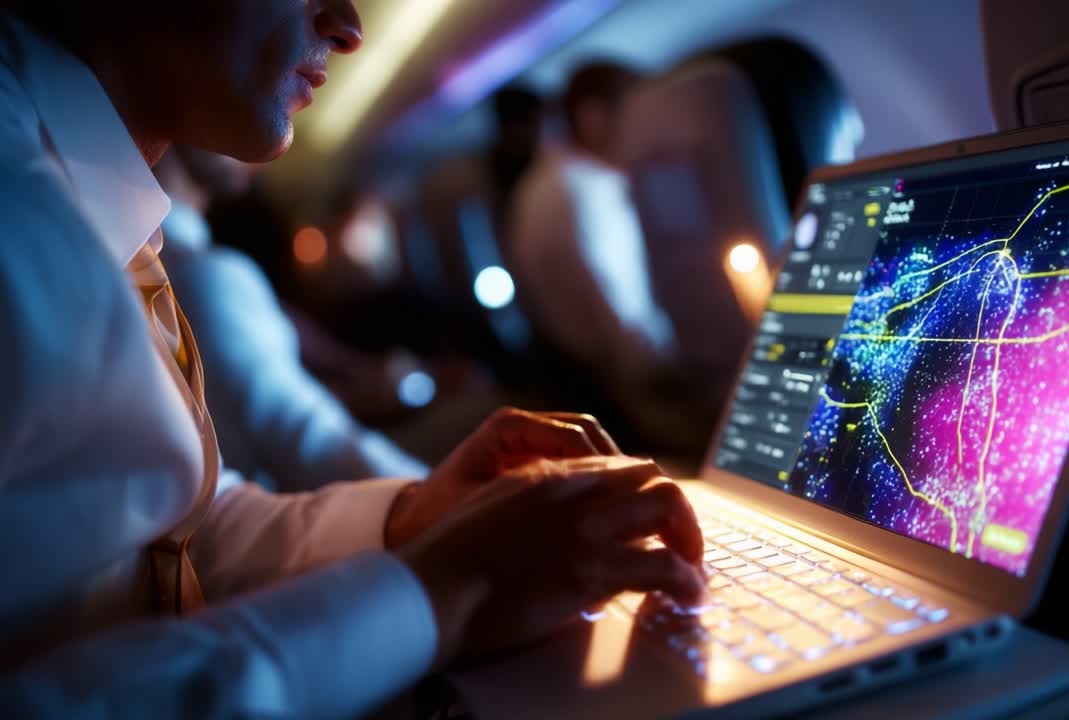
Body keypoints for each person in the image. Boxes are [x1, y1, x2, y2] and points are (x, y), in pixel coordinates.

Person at [0, 2, 704, 716]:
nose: (348, 25)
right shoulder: (18, 218)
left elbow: (168, 532)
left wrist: (412, 514)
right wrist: (451, 590)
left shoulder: (89, 209)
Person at [154, 146, 431, 491]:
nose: (274, 143)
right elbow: (306, 439)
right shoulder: (205, 274)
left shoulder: (162, 262)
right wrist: (441, 496)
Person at [508, 61, 676, 386]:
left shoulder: (535, 185)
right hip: (633, 376)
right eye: (637, 117)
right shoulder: (591, 190)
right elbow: (624, 311)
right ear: (593, 117)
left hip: (585, 367)